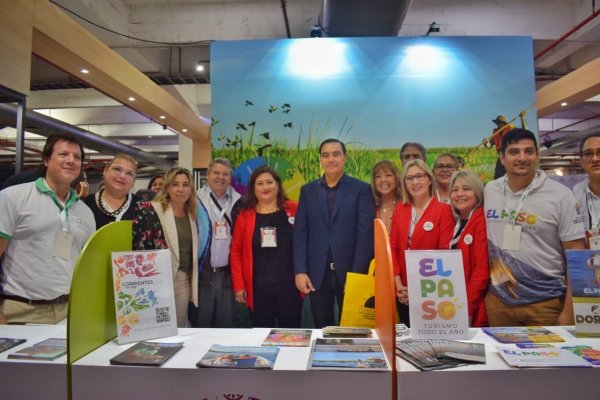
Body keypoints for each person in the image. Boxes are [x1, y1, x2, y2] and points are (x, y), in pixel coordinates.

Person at [484, 128, 585, 326]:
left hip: (545, 303)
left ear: (537, 155)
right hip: (498, 302)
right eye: (514, 152)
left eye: (528, 151)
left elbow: (577, 255)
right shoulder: (490, 190)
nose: (522, 157)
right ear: (502, 158)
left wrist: (570, 311)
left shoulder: (561, 196)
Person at [0, 133, 96, 324]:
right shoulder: (13, 197)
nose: (71, 161)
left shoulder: (84, 211)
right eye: (63, 154)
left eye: (77, 157)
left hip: (69, 313)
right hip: (21, 311)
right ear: (46, 160)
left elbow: (85, 267)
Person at [293, 138, 374, 328]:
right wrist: (300, 271)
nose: (331, 159)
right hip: (316, 275)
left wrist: (357, 276)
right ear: (320, 159)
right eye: (325, 155)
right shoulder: (308, 191)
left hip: (349, 274)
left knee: (351, 330)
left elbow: (365, 236)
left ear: (345, 157)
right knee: (322, 328)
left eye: (336, 154)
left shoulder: (361, 190)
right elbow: (300, 234)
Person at [230, 166, 302, 328]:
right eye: (260, 183)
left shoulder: (294, 209)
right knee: (261, 336)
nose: (265, 187)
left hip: (290, 286)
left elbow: (305, 243)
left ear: (278, 185)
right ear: (253, 189)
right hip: (258, 288)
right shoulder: (245, 216)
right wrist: (239, 285)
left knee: (292, 336)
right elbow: (236, 252)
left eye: (270, 182)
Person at [389, 159, 454, 326]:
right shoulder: (400, 210)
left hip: (430, 290)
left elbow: (444, 254)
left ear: (429, 180)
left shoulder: (443, 210)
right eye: (409, 178)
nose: (415, 182)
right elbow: (393, 249)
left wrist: (417, 291)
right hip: (402, 291)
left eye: (419, 176)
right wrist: (399, 286)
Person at [132, 167, 200, 327]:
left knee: (179, 326)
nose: (181, 189)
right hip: (156, 279)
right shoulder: (152, 210)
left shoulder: (192, 214)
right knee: (155, 327)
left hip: (182, 280)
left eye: (185, 184)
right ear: (168, 187)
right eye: (175, 184)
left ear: (191, 188)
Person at [196, 158, 242, 328]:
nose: (220, 177)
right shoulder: (193, 200)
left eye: (225, 174)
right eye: (216, 173)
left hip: (227, 276)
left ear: (230, 178)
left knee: (226, 325)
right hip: (202, 274)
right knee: (201, 325)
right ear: (207, 175)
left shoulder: (240, 202)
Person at [449, 170, 489, 327]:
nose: (460, 194)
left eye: (466, 189)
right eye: (455, 190)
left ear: (477, 192)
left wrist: (467, 308)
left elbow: (482, 270)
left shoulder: (480, 220)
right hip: (455, 301)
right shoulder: (456, 220)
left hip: (472, 305)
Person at [84, 154, 138, 229]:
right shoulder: (85, 204)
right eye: (117, 169)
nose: (122, 176)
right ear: (105, 170)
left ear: (133, 182)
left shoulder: (143, 207)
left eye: (129, 173)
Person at [572, 132, 600, 249]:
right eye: (588, 154)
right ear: (582, 161)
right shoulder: (575, 193)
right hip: (589, 261)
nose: (595, 159)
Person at [371, 160, 402, 233]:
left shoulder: (406, 205)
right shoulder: (369, 206)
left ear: (396, 178)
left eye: (388, 175)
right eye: (378, 176)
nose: (383, 180)